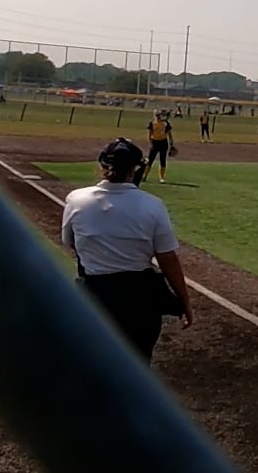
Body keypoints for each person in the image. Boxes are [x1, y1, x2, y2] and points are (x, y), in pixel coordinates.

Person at [60, 138, 192, 361]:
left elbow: (70, 242)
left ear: (101, 166)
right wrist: (184, 302)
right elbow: (168, 259)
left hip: (95, 296)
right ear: (135, 169)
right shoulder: (153, 205)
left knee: (93, 364)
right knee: (137, 363)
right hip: (139, 302)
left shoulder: (76, 200)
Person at [142, 112, 174, 184]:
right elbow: (149, 134)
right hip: (155, 142)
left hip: (163, 142)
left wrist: (171, 142)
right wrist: (151, 143)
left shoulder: (165, 123)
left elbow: (169, 133)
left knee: (163, 160)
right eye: (156, 115)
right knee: (150, 160)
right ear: (154, 116)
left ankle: (161, 178)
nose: (158, 117)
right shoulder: (152, 123)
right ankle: (145, 176)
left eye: (159, 115)